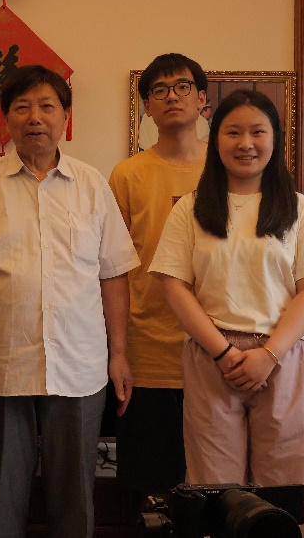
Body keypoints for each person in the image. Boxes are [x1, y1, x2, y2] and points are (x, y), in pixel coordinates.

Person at [0, 65, 140, 538]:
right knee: (2, 493)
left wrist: (118, 353)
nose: (35, 117)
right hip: (3, 362)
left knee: (75, 495)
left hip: (80, 363)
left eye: (47, 106)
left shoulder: (92, 184)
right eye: (22, 107)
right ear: (6, 119)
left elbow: (113, 274)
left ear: (65, 117)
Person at [148, 89, 304, 537]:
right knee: (214, 491)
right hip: (212, 357)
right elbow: (175, 287)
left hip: (284, 357)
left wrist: (269, 354)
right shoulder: (189, 209)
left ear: (275, 138)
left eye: (257, 132)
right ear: (215, 139)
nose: (245, 143)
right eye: (232, 132)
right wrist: (223, 353)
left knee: (286, 486)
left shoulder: (300, 209)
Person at [107, 53, 208, 500]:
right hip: (147, 353)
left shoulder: (229, 167)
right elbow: (113, 268)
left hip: (217, 349)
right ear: (147, 106)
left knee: (213, 486)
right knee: (151, 491)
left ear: (202, 99)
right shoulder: (127, 174)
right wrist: (118, 352)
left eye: (183, 86)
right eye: (160, 90)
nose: (172, 96)